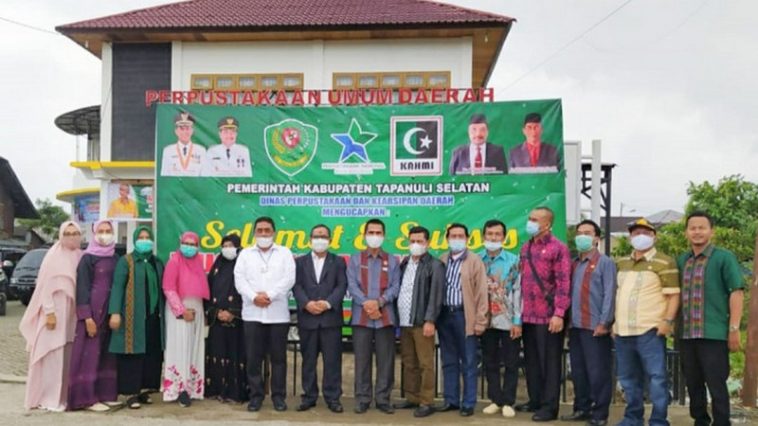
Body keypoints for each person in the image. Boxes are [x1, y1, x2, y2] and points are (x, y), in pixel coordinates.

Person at [677, 211, 744, 426]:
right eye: (692, 228)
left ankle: (722, 422)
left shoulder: (724, 258)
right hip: (687, 334)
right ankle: (700, 421)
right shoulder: (683, 260)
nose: (697, 232)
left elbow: (736, 292)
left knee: (716, 383)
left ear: (711, 231)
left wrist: (733, 329)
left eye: (702, 227)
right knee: (693, 383)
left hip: (713, 334)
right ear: (687, 232)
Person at [615, 218, 680, 426]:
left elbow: (673, 296)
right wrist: (613, 325)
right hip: (623, 331)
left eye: (644, 232)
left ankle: (659, 419)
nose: (639, 237)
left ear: (654, 236)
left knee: (657, 378)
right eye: (635, 233)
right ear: (630, 237)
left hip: (650, 330)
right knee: (627, 379)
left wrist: (667, 321)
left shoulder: (665, 262)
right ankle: (633, 417)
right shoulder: (622, 262)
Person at [234, 217, 295, 412]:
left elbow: (289, 279)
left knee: (279, 359)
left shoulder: (284, 253)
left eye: (267, 230)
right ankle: (256, 396)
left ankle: (278, 397)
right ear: (254, 233)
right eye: (259, 230)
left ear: (274, 232)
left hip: (277, 314)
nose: (263, 234)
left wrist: (269, 295)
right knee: (253, 359)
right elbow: (240, 280)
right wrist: (254, 297)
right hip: (252, 314)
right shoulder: (245, 254)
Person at [19, 221, 82, 411]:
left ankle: (62, 397)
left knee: (66, 355)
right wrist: (49, 313)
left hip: (72, 313)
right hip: (54, 313)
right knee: (50, 354)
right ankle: (47, 398)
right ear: (61, 235)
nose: (71, 237)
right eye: (68, 233)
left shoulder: (80, 256)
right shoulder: (53, 256)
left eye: (75, 233)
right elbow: (45, 286)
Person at [515, 206, 571, 422]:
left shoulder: (559, 249)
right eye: (529, 218)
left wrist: (559, 313)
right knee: (532, 362)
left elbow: (563, 283)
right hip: (528, 315)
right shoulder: (526, 247)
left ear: (547, 224)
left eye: (535, 219)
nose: (530, 222)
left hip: (549, 317)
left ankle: (549, 407)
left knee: (549, 363)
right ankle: (535, 399)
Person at [560, 220, 616, 426]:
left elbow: (610, 293)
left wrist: (605, 322)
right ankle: (581, 408)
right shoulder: (574, 264)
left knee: (598, 372)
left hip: (595, 327)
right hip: (575, 326)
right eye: (579, 233)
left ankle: (600, 414)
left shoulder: (605, 262)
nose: (582, 236)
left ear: (596, 238)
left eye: (587, 233)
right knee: (578, 371)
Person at [347, 218, 401, 415]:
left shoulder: (393, 260)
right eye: (371, 232)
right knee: (362, 360)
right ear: (364, 235)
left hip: (385, 317)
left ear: (384, 236)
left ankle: (383, 399)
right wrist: (367, 304)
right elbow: (352, 286)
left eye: (378, 233)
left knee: (386, 360)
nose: (375, 236)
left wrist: (379, 302)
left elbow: (396, 287)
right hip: (361, 318)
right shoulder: (355, 259)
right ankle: (362, 399)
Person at [108, 226, 165, 409]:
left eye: (148, 237)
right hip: (132, 315)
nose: (145, 240)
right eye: (141, 237)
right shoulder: (126, 261)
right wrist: (115, 312)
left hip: (153, 317)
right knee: (132, 354)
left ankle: (144, 391)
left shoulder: (157, 262)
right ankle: (131, 393)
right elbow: (117, 287)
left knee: (150, 354)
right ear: (134, 239)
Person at [292, 224, 348, 413]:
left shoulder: (338, 261)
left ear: (330, 240)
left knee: (332, 361)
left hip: (330, 319)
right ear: (310, 239)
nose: (320, 239)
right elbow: (297, 286)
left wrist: (327, 303)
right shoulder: (300, 262)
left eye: (323, 236)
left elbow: (341, 287)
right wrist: (307, 303)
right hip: (307, 318)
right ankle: (309, 397)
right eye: (316, 236)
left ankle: (333, 398)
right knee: (308, 361)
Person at [436, 223, 488, 417]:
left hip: (464, 316)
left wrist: (480, 321)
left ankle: (468, 402)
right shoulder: (442, 260)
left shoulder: (474, 261)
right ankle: (451, 399)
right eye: (453, 236)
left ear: (467, 239)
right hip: (445, 315)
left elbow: (482, 293)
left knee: (468, 361)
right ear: (447, 239)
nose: (456, 239)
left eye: (460, 236)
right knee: (448, 360)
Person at [67, 220, 120, 411]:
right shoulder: (87, 258)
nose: (105, 234)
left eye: (108, 231)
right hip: (93, 313)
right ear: (94, 234)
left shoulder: (115, 257)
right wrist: (86, 317)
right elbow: (82, 288)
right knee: (89, 353)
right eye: (101, 231)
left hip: (110, 311)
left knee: (107, 354)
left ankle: (105, 393)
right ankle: (86, 398)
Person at [392, 226, 444, 418]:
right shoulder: (405, 263)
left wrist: (430, 320)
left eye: (419, 241)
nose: (415, 245)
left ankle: (427, 401)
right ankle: (412, 397)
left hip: (422, 322)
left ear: (427, 243)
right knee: (409, 362)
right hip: (404, 321)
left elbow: (436, 296)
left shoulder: (435, 265)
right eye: (412, 241)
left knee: (425, 363)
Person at [478, 219, 522, 418]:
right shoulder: (477, 261)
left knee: (511, 362)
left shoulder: (514, 261)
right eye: (489, 234)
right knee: (490, 361)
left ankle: (508, 401)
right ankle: (495, 399)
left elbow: (518, 292)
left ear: (504, 238)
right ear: (483, 237)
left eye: (497, 234)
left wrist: (516, 321)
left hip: (508, 319)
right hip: (485, 320)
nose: (493, 238)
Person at [162, 231, 210, 407]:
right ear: (180, 243)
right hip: (179, 310)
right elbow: (168, 288)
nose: (189, 247)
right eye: (186, 243)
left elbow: (200, 291)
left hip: (196, 309)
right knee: (180, 347)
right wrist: (181, 311)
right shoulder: (174, 262)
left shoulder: (198, 263)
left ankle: (192, 388)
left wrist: (202, 314)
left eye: (193, 244)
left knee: (193, 348)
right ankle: (179, 390)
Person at [204, 234, 248, 403]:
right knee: (217, 353)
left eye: (231, 245)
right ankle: (217, 390)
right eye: (224, 245)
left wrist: (233, 313)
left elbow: (248, 291)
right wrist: (217, 313)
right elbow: (208, 291)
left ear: (238, 246)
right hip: (217, 320)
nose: (227, 248)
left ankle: (235, 393)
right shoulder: (217, 266)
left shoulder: (244, 266)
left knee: (236, 355)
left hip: (238, 322)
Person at [160, 111, 206, 177]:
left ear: (192, 131)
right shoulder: (168, 151)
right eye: (181, 129)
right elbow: (165, 176)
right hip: (175, 186)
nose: (185, 132)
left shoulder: (201, 150)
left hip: (195, 187)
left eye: (187, 128)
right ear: (176, 131)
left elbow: (204, 176)